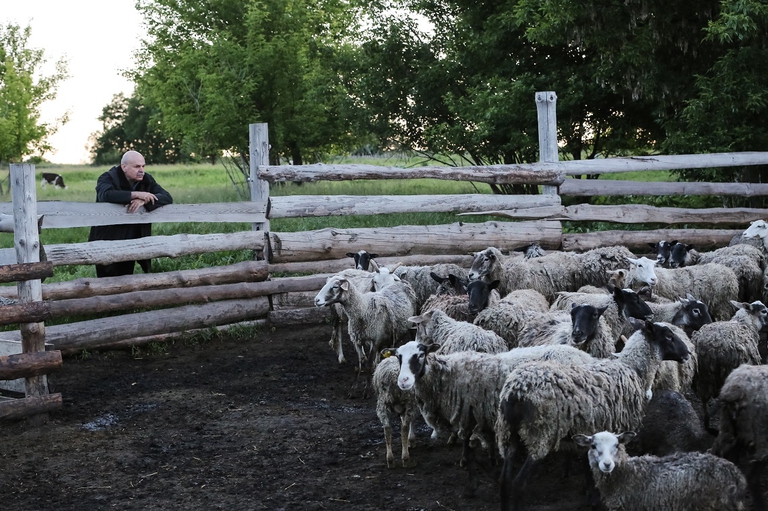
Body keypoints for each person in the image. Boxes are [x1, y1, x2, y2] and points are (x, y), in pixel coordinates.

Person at [88, 150, 173, 277]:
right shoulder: (108, 177)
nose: (141, 170)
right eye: (137, 166)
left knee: (126, 278)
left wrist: (144, 200)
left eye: (143, 166)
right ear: (124, 167)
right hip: (108, 237)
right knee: (106, 280)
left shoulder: (146, 180)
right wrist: (137, 194)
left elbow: (167, 197)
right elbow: (106, 195)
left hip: (133, 238)